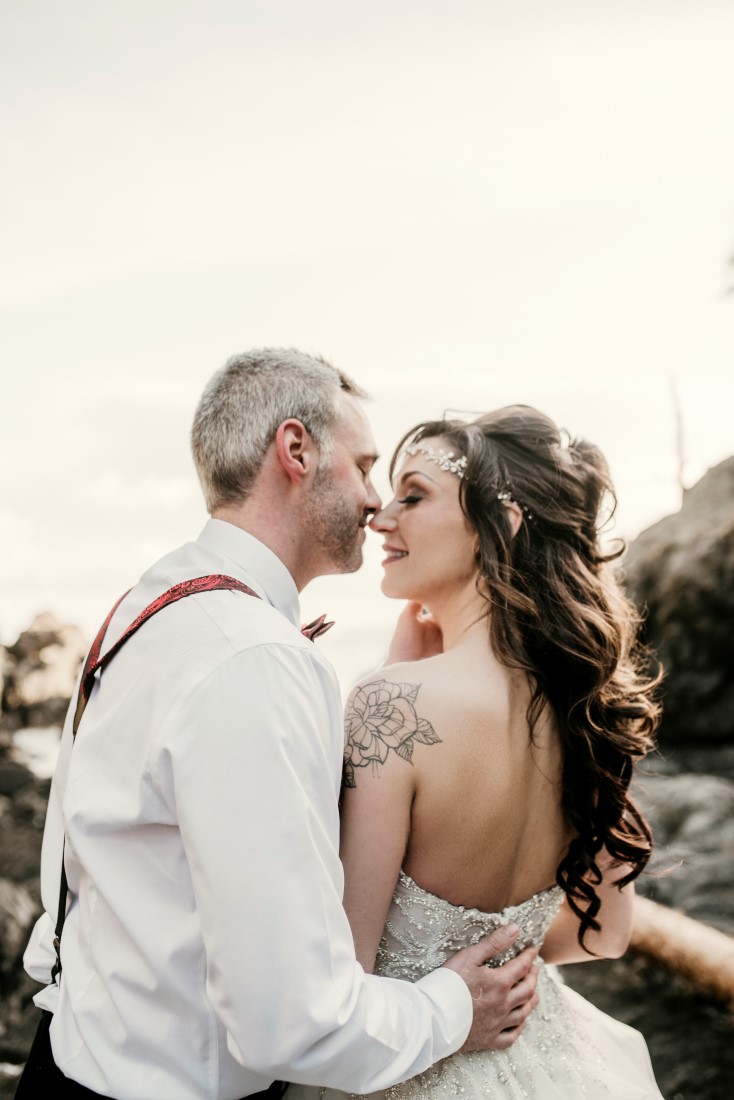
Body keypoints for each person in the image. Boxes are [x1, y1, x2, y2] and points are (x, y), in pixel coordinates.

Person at [18, 350, 540, 1100]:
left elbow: (76, 860)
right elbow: (292, 1024)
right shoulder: (253, 660)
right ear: (296, 450)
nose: (374, 502)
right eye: (364, 467)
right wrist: (455, 1007)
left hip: (70, 1059)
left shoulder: (147, 607)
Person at [288, 405, 665, 1100]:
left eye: (414, 495)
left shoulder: (391, 705)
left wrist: (447, 987)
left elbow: (344, 977)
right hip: (552, 1063)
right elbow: (604, 934)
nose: (381, 518)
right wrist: (505, 947)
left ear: (504, 523)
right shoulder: (586, 706)